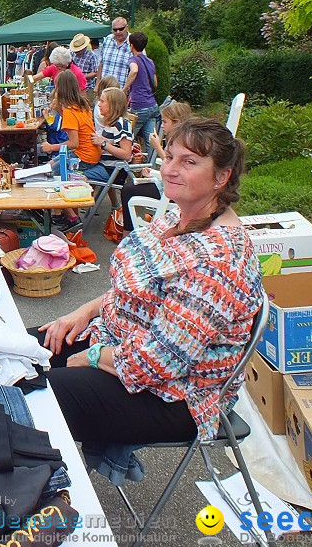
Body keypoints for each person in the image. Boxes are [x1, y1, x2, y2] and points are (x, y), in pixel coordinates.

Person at [33, 118, 262, 451]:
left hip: (176, 395)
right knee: (18, 351)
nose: (170, 169)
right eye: (169, 157)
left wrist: (92, 356)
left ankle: (26, 485)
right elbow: (136, 286)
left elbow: (159, 361)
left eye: (189, 162)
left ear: (221, 177)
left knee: (36, 396)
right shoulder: (177, 217)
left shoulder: (218, 261)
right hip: (119, 341)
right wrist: (83, 311)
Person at [39, 71, 106, 227]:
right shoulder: (82, 104)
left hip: (82, 157)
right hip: (91, 153)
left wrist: (51, 147)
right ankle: (60, 213)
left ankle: (71, 217)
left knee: (48, 176)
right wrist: (60, 110)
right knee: (48, 167)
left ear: (59, 89)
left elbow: (74, 142)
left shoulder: (69, 111)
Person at [121, 100, 194, 233]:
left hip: (171, 191)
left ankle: (128, 232)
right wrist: (154, 173)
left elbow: (174, 166)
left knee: (128, 190)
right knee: (131, 188)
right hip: (168, 184)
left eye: (165, 122)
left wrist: (157, 147)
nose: (162, 126)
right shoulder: (178, 139)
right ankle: (135, 229)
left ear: (176, 122)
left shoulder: (181, 142)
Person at [88, 86, 134, 207]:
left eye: (102, 101)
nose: (99, 105)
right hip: (107, 168)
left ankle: (74, 216)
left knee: (75, 175)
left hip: (112, 171)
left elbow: (126, 153)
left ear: (113, 105)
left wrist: (103, 143)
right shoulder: (112, 123)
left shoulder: (121, 124)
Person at [124, 31, 160, 157]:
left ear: (131, 45)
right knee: (151, 140)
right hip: (152, 105)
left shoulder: (133, 60)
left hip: (139, 105)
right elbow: (155, 83)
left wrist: (124, 89)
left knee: (126, 138)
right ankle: (150, 167)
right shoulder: (150, 61)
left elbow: (134, 70)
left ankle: (126, 169)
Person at [96, 16, 131, 87]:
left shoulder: (134, 41)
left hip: (122, 91)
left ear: (127, 28)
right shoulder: (108, 39)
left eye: (121, 29)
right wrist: (97, 85)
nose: (118, 32)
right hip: (104, 89)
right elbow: (101, 63)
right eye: (115, 30)